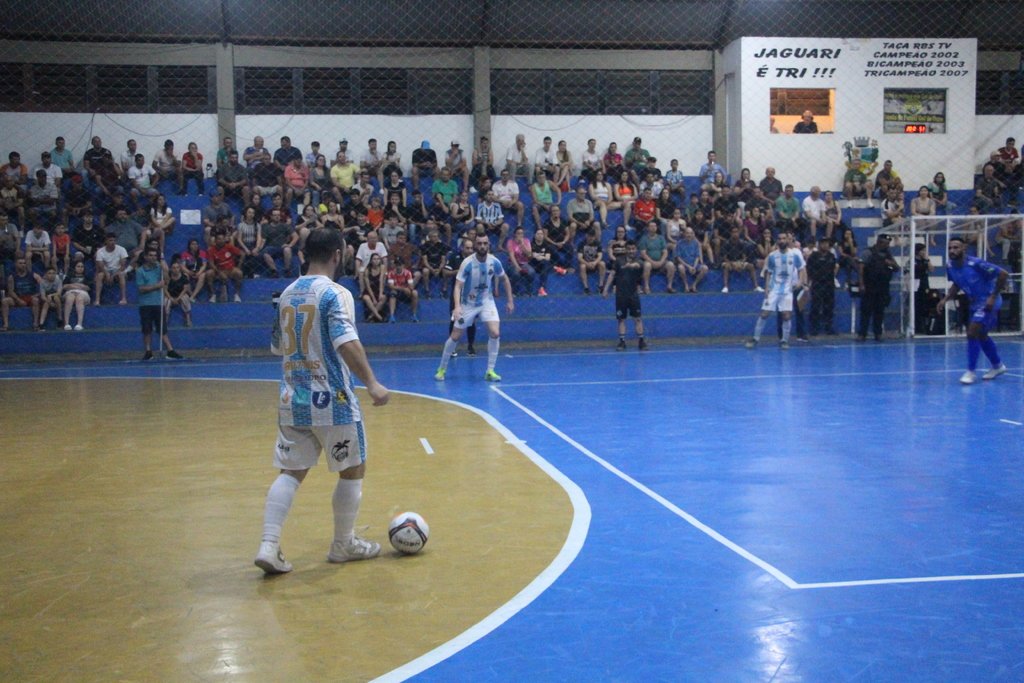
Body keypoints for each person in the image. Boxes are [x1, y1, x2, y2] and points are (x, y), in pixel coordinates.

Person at [254, 228, 390, 574]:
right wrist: (372, 383)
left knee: (291, 472)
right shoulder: (335, 294)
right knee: (352, 469)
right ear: (337, 255)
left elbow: (276, 346)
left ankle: (269, 545)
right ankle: (343, 543)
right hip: (334, 399)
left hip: (292, 399)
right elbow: (346, 340)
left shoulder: (286, 294)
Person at [434, 234, 514, 381]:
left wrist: (510, 300)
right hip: (468, 304)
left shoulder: (494, 262)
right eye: (479, 244)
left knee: (495, 333)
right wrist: (457, 307)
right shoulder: (467, 263)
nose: (482, 246)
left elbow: (504, 279)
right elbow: (458, 286)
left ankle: (490, 371)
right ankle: (442, 368)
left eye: (485, 244)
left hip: (486, 301)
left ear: (488, 245)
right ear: (475, 246)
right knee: (455, 336)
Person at [937, 237, 1010, 384]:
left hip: (989, 301)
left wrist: (993, 296)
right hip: (975, 303)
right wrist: (946, 299)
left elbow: (1003, 274)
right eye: (950, 248)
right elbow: (956, 285)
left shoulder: (976, 263)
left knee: (972, 332)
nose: (952, 250)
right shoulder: (950, 266)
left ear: (964, 248)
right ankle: (997, 365)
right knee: (981, 335)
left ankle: (971, 372)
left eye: (956, 247)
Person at [745, 231, 806, 349]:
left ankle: (784, 340)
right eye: (779, 239)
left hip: (788, 290)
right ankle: (755, 338)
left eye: (784, 238)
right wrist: (767, 287)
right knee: (764, 314)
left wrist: (800, 282)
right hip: (774, 289)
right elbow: (769, 272)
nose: (782, 241)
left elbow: (801, 268)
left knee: (786, 315)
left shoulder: (795, 255)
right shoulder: (773, 256)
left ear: (788, 240)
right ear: (777, 241)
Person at [137, 247, 182, 360]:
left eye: (154, 255)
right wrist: (156, 286)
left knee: (162, 328)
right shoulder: (140, 271)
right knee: (147, 329)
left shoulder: (159, 268)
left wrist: (163, 266)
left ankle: (170, 350)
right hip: (146, 304)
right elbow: (141, 289)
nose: (153, 257)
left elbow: (166, 280)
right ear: (146, 257)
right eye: (150, 255)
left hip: (158, 303)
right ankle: (148, 351)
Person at [602, 240, 648, 351]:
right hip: (621, 295)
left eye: (633, 249)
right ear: (626, 249)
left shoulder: (639, 261)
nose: (631, 251)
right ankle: (622, 342)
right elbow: (612, 274)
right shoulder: (618, 261)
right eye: (629, 249)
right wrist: (605, 288)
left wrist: (630, 265)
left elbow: (637, 265)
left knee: (637, 318)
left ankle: (641, 341)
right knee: (621, 319)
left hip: (633, 294)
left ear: (636, 249)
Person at [856, 233, 897, 341]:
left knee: (879, 311)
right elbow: (860, 268)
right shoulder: (868, 252)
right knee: (866, 311)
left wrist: (891, 263)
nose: (888, 245)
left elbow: (896, 267)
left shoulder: (888, 254)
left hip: (883, 287)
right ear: (879, 242)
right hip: (870, 286)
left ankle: (877, 333)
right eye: (886, 243)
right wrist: (861, 284)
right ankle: (862, 334)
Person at [806, 236, 838, 336]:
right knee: (816, 306)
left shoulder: (831, 256)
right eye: (823, 242)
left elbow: (833, 269)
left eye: (827, 243)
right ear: (819, 244)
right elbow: (809, 269)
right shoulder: (814, 256)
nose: (825, 244)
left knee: (829, 307)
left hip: (829, 284)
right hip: (817, 284)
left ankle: (829, 327)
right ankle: (814, 328)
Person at [720, 225, 760, 293]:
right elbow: (724, 258)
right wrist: (732, 264)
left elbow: (744, 256)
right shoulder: (726, 243)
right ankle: (725, 287)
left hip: (739, 261)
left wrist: (740, 263)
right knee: (726, 267)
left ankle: (756, 286)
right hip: (729, 262)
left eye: (736, 232)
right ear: (730, 233)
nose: (735, 234)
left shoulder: (742, 243)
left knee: (751, 266)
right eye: (733, 232)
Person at [638, 220, 675, 293]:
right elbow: (643, 253)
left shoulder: (661, 238)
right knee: (647, 265)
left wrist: (661, 262)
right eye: (651, 226)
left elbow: (665, 252)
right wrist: (653, 262)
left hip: (661, 261)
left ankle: (669, 286)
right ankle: (646, 287)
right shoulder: (644, 239)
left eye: (654, 226)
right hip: (649, 261)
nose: (653, 228)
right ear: (647, 228)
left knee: (671, 265)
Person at [207, 233, 245, 302]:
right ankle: (213, 295)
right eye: (219, 239)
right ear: (215, 240)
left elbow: (242, 254)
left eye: (222, 239)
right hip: (218, 270)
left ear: (225, 240)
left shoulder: (229, 247)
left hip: (230, 269)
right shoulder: (211, 250)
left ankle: (236, 295)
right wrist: (219, 272)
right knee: (209, 273)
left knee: (239, 273)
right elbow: (211, 263)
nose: (221, 241)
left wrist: (238, 267)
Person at [94, 232, 128, 305]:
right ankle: (97, 300)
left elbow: (122, 266)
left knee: (121, 275)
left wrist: (113, 275)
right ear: (106, 241)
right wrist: (106, 273)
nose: (113, 242)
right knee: (100, 276)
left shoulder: (121, 249)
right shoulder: (100, 251)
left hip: (118, 269)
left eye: (114, 240)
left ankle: (124, 299)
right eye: (110, 240)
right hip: (106, 270)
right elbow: (100, 265)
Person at [674, 227, 708, 293]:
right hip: (684, 264)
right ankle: (686, 285)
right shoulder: (679, 243)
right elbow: (678, 258)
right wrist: (688, 267)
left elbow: (697, 257)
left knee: (705, 268)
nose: (689, 235)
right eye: (687, 233)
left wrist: (694, 267)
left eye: (690, 233)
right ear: (684, 234)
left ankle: (694, 285)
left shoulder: (695, 243)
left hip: (694, 264)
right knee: (680, 267)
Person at [386, 257, 419, 323]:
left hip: (405, 292)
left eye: (400, 265)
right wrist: (403, 288)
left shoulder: (408, 273)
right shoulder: (391, 273)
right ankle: (392, 316)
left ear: (403, 265)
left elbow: (411, 286)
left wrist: (408, 290)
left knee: (415, 293)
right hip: (397, 291)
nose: (398, 267)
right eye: (397, 265)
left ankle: (414, 315)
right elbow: (391, 286)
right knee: (392, 293)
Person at [62, 260, 92, 330]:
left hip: (82, 293)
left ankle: (79, 324)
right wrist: (79, 285)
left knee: (79, 298)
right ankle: (66, 324)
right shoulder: (69, 277)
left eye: (82, 267)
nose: (80, 268)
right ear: (74, 267)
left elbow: (87, 288)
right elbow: (64, 286)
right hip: (70, 292)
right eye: (78, 266)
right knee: (69, 298)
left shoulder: (87, 277)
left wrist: (72, 285)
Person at [360, 252, 388, 322]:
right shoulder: (367, 270)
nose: (376, 261)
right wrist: (373, 299)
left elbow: (381, 280)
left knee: (383, 298)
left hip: (378, 289)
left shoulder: (382, 267)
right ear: (371, 260)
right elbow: (368, 285)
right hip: (370, 290)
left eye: (378, 259)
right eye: (374, 259)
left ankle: (371, 316)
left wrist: (380, 293)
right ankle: (379, 317)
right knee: (366, 298)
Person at [577, 228, 606, 295]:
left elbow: (600, 256)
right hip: (585, 262)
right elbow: (579, 257)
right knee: (582, 266)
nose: (591, 238)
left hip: (595, 263)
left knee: (602, 264)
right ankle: (586, 288)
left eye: (593, 236)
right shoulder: (582, 244)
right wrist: (587, 263)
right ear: (586, 235)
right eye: (590, 236)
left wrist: (594, 263)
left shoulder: (597, 244)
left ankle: (601, 286)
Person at [165, 258, 192, 327]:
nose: (176, 269)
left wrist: (178, 299)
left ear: (180, 268)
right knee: (166, 301)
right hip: (170, 295)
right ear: (171, 269)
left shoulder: (184, 277)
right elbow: (164, 289)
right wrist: (170, 298)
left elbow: (185, 289)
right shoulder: (167, 277)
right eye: (174, 268)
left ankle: (188, 320)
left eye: (177, 268)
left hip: (180, 294)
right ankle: (165, 321)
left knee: (185, 298)